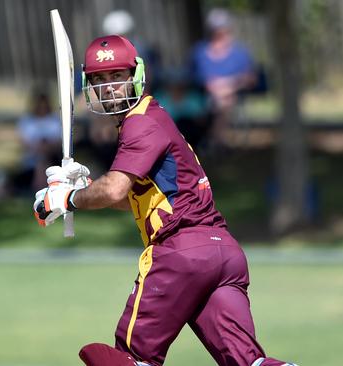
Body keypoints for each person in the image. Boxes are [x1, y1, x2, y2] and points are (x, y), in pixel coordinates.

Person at [33, 35, 297, 366]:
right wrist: (84, 187)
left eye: (117, 76)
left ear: (136, 75)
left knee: (130, 359)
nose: (108, 87)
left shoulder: (140, 123)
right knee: (249, 363)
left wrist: (67, 198)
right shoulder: (153, 119)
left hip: (180, 253)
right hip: (223, 254)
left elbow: (114, 189)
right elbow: (132, 199)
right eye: (99, 80)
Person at [190, 8, 257, 147]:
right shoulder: (200, 52)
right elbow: (196, 76)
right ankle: (218, 141)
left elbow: (251, 78)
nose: (219, 32)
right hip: (205, 95)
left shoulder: (240, 53)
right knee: (221, 100)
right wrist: (214, 87)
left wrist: (229, 85)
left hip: (234, 93)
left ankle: (215, 141)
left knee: (224, 100)